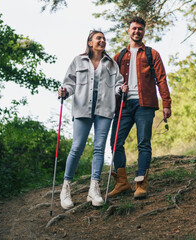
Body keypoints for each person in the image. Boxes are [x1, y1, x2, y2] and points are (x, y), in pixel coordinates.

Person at [58, 30, 127, 209]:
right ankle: (65, 188)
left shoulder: (111, 64)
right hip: (82, 108)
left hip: (104, 108)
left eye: (104, 39)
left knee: (99, 148)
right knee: (77, 147)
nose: (102, 41)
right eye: (99, 38)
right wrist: (65, 91)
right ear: (89, 42)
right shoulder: (78, 61)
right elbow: (69, 83)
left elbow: (118, 84)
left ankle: (94, 189)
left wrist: (122, 89)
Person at [107, 16, 172, 199]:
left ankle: (141, 184)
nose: (137, 31)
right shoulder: (119, 57)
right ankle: (122, 183)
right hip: (124, 106)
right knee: (115, 143)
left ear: (144, 31)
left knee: (143, 143)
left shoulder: (152, 54)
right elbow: (109, 81)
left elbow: (161, 79)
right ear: (129, 31)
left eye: (140, 29)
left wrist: (166, 103)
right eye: (134, 28)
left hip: (145, 105)